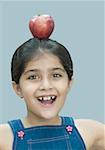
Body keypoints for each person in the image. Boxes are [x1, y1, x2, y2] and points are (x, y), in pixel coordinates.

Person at [0, 38, 104, 150]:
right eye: (33, 77)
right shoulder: (4, 138)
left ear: (69, 83)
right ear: (18, 88)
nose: (46, 86)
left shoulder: (90, 132)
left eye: (56, 75)